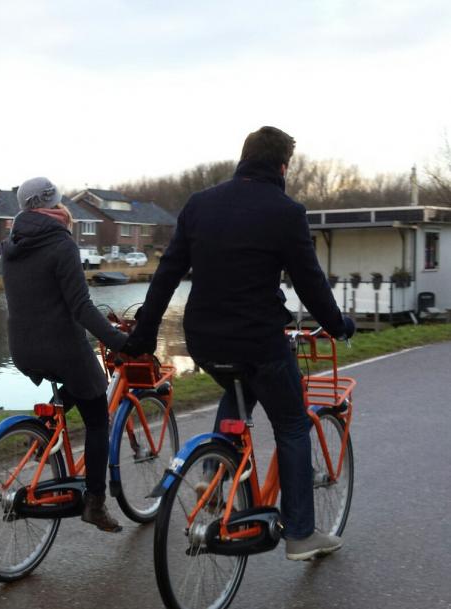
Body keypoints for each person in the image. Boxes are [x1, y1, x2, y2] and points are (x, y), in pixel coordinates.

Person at [124, 126, 356, 560]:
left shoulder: (199, 205)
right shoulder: (286, 212)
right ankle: (302, 534)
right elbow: (310, 283)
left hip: (204, 339)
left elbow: (167, 274)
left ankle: (213, 478)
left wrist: (144, 333)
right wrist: (338, 322)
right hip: (258, 339)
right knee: (290, 423)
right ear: (283, 165)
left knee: (239, 389)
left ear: (244, 157)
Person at [1, 176, 131, 532]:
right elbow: (81, 308)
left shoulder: (10, 244)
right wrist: (119, 341)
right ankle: (95, 503)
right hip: (61, 346)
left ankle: (44, 428)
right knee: (97, 419)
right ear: (54, 203)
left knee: (83, 385)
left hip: (23, 348)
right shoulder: (61, 243)